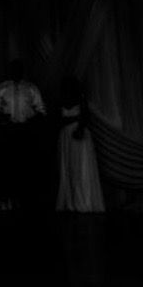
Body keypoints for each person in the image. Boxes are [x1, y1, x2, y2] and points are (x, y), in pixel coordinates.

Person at [0, 58, 47, 213]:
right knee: (9, 165)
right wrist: (2, 117)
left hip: (26, 132)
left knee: (26, 165)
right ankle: (9, 200)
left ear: (22, 71)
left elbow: (41, 110)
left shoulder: (31, 88)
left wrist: (31, 122)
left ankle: (26, 201)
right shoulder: (2, 88)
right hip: (8, 132)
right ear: (10, 71)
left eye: (18, 69)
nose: (16, 72)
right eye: (13, 69)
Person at [55, 76, 104, 213]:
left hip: (79, 134)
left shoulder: (81, 99)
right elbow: (59, 120)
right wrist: (76, 118)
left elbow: (85, 117)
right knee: (69, 168)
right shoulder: (61, 100)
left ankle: (84, 201)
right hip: (66, 137)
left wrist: (79, 125)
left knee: (81, 167)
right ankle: (71, 201)